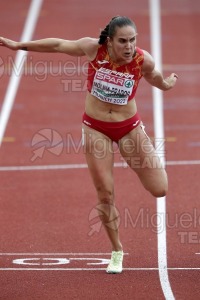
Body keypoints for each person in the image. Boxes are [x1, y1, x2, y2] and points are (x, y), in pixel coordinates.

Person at [0, 16, 178, 274]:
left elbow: (156, 78)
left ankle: (144, 152)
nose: (129, 47)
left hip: (128, 128)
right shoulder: (94, 49)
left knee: (160, 189)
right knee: (105, 193)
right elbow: (58, 45)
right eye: (123, 41)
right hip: (96, 129)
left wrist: (167, 85)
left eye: (133, 40)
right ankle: (117, 250)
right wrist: (19, 46)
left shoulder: (142, 60)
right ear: (110, 41)